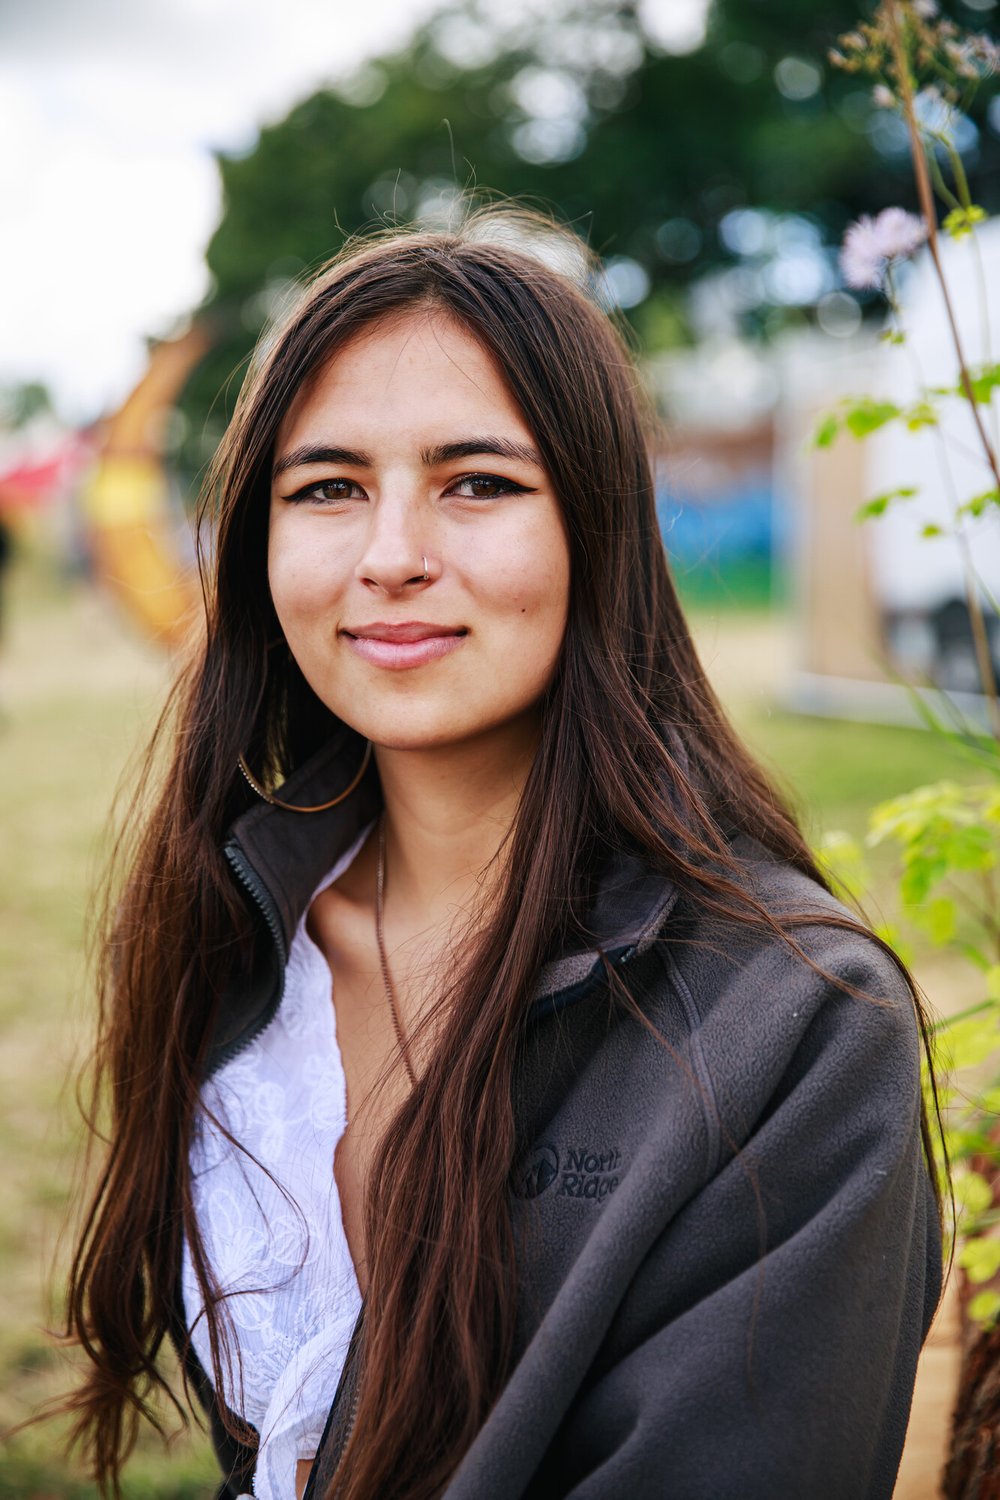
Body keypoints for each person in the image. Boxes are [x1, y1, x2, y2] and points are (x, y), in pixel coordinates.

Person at [64, 208, 944, 1500]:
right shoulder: (245, 925)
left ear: (598, 532)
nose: (393, 557)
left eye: (478, 483)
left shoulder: (797, 1030)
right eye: (328, 488)